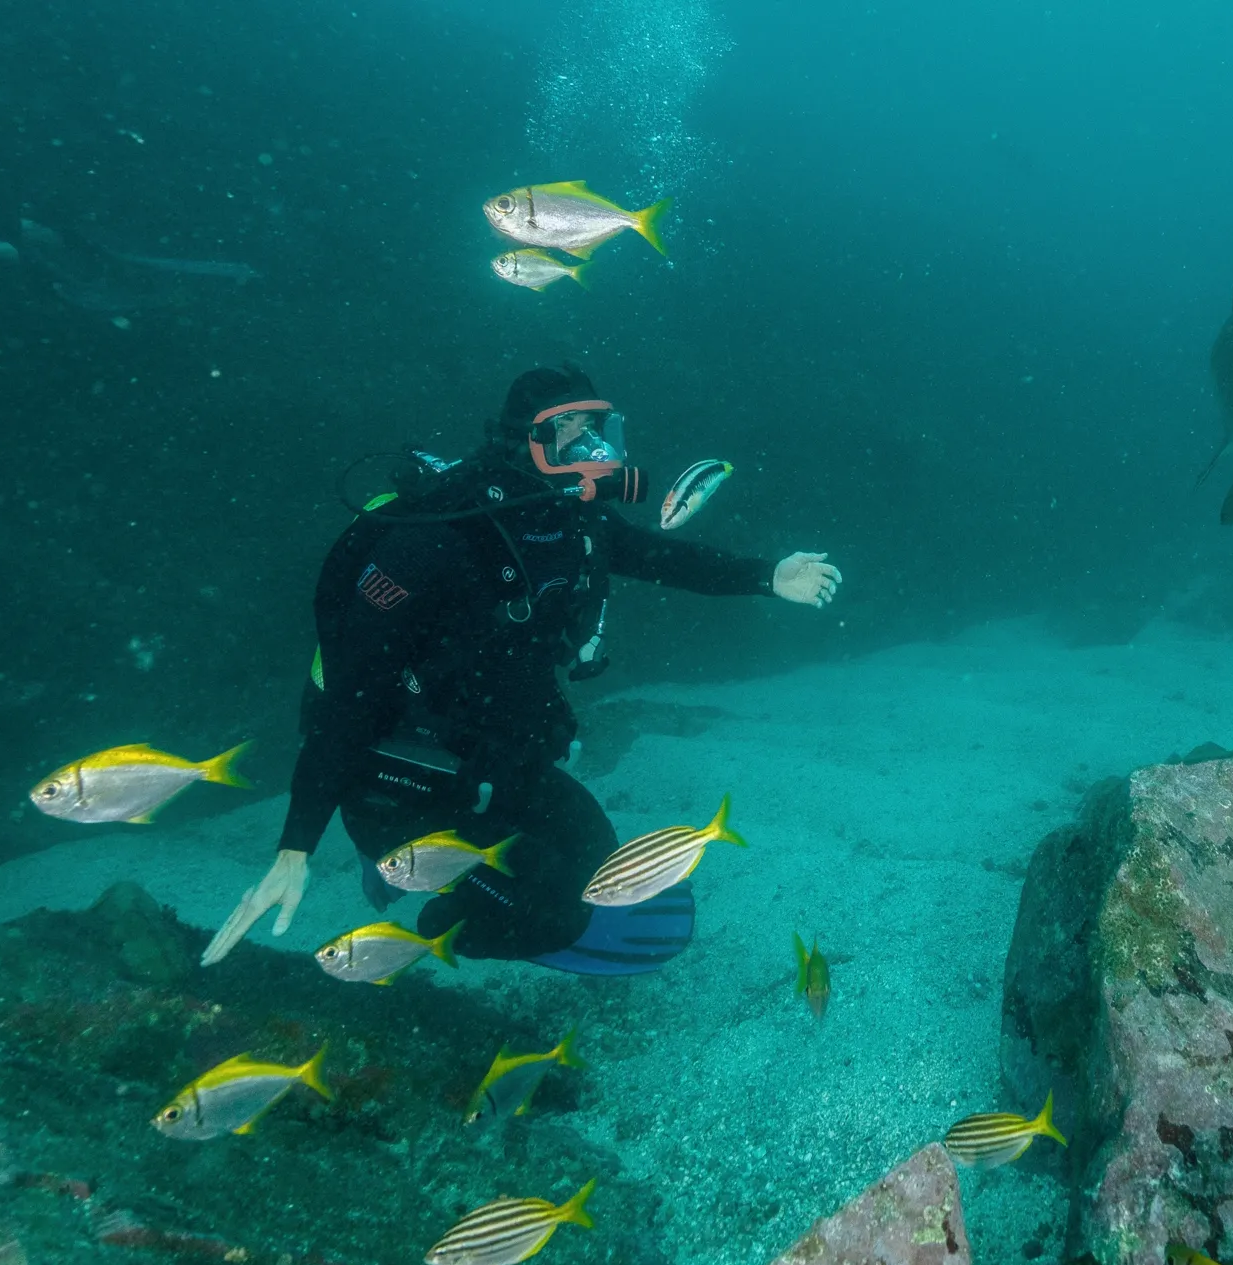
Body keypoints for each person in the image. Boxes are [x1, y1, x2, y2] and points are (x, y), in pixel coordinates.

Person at [203, 365, 841, 966]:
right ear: (523, 439)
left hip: (490, 751)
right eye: (567, 431)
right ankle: (427, 919)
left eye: (597, 428)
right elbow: (350, 697)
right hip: (394, 776)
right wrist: (295, 846)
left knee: (596, 865)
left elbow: (658, 557)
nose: (588, 446)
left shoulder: (573, 516)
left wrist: (766, 577)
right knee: (561, 916)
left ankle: (460, 871)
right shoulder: (437, 534)